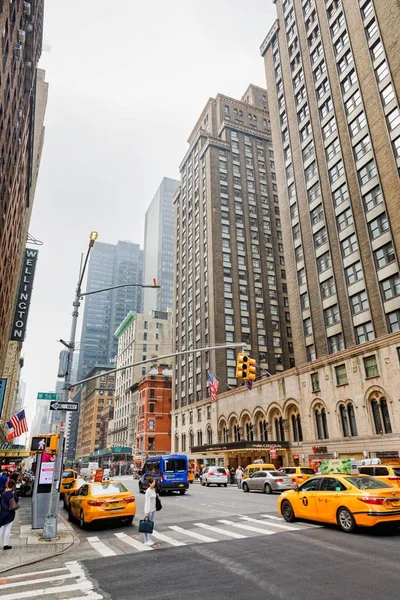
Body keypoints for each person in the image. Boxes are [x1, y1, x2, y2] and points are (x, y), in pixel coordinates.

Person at [0, 479, 19, 550]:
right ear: (13, 485)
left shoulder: (3, 493)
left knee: (1, 528)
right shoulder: (13, 493)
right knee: (8, 529)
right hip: (10, 513)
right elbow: (16, 500)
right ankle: (6, 544)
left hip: (3, 512)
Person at [143, 477, 157, 547]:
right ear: (149, 483)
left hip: (153, 509)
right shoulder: (148, 491)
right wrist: (146, 512)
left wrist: (156, 495)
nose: (154, 483)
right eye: (153, 482)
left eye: (154, 482)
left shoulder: (153, 490)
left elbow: (153, 498)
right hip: (149, 511)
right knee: (147, 526)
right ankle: (147, 540)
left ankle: (149, 539)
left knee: (150, 526)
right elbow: (147, 502)